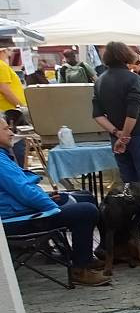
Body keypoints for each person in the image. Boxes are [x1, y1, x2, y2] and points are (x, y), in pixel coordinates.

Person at [0, 117, 109, 286]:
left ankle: (96, 252)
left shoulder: (3, 156)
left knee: (84, 196)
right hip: (17, 219)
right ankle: (80, 269)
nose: (11, 132)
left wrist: (48, 198)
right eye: (6, 129)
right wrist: (52, 207)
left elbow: (21, 191)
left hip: (20, 210)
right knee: (86, 210)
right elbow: (25, 193)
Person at [91, 42, 140, 193]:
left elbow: (97, 115)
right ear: (126, 55)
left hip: (116, 137)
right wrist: (125, 135)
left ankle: (132, 214)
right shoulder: (132, 78)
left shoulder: (100, 81)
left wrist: (118, 134)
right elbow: (133, 111)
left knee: (128, 182)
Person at [0, 44, 27, 115]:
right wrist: (20, 106)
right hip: (10, 110)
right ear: (4, 50)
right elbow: (4, 89)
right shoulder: (1, 65)